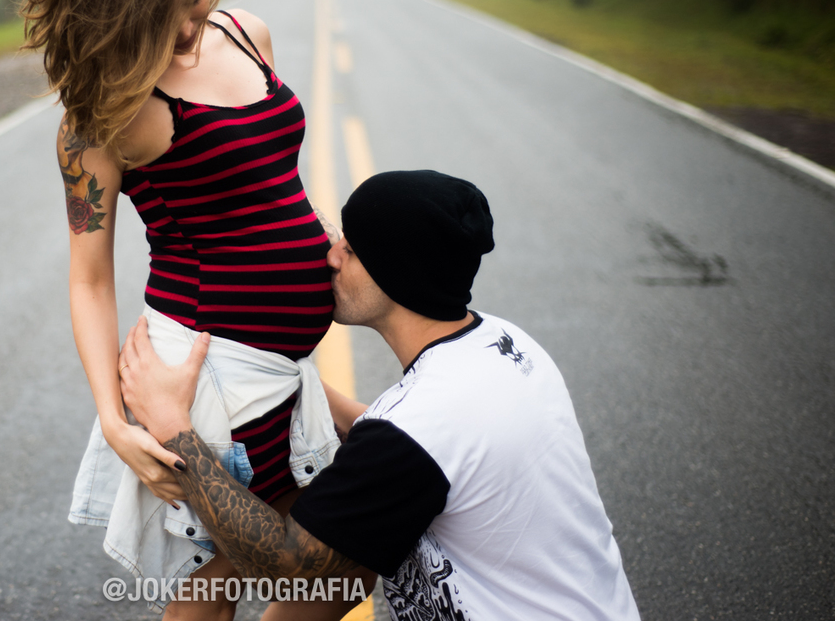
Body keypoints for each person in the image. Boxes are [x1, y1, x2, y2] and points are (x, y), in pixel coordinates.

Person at [21, 0, 360, 620]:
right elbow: (88, 280)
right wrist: (115, 420)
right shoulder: (105, 119)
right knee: (225, 583)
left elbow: (271, 181)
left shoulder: (246, 34)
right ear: (116, 14)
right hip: (212, 378)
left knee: (326, 563)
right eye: (159, 16)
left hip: (282, 369)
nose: (185, 27)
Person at [119, 170, 642, 621]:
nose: (330, 256)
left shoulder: (417, 431)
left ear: (396, 272)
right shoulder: (504, 344)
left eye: (351, 247)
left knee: (322, 570)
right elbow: (424, 449)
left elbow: (285, 566)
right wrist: (273, 375)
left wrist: (174, 428)